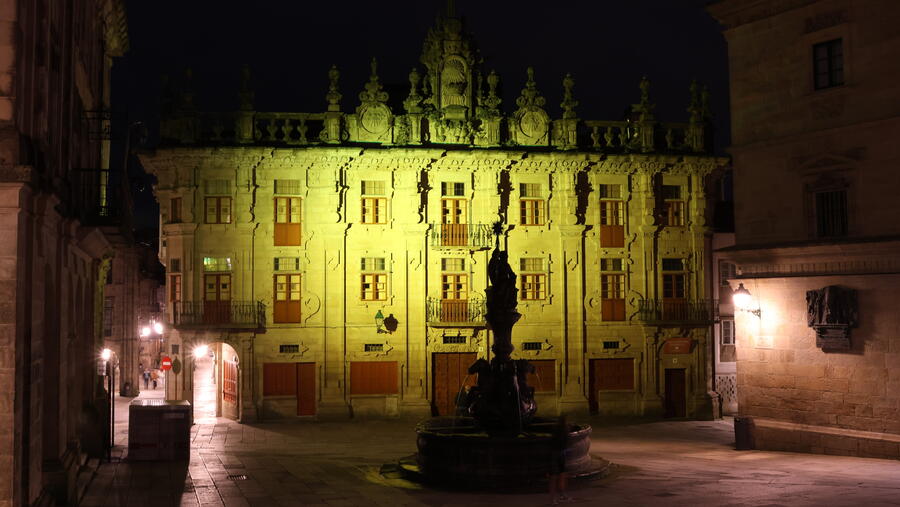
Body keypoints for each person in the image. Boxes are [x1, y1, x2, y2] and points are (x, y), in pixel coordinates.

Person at [549, 415, 571, 504]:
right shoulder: (564, 430)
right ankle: (558, 496)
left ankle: (557, 497)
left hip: (556, 454)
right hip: (558, 454)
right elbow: (564, 443)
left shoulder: (557, 430)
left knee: (557, 475)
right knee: (558, 475)